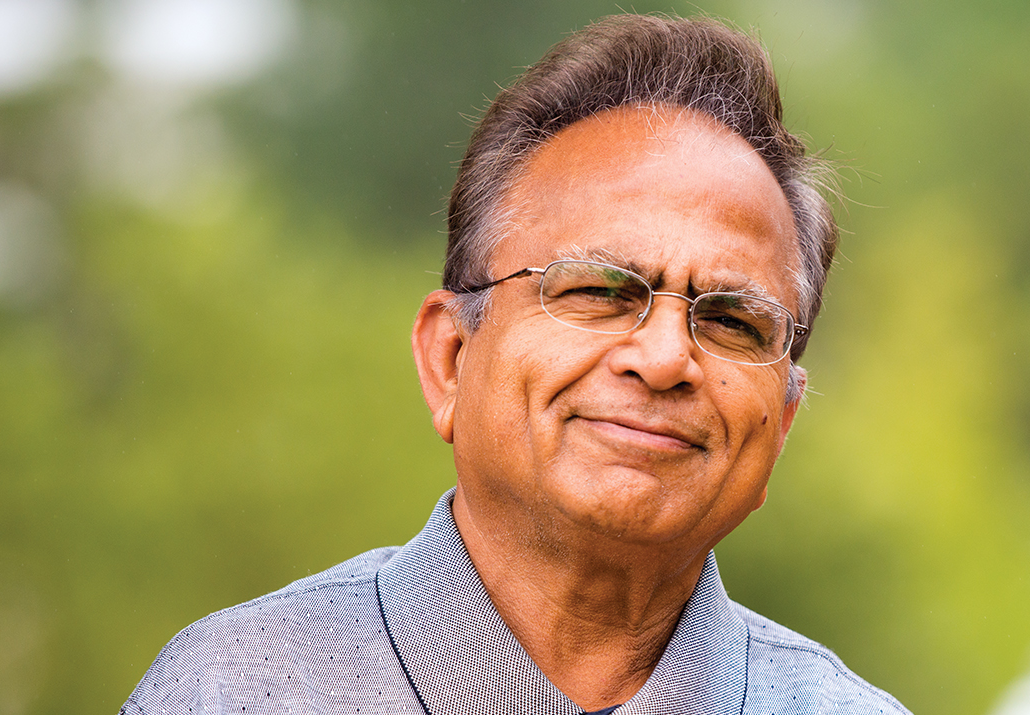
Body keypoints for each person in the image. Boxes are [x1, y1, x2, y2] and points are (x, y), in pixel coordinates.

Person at [121, 13, 908, 715]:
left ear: (784, 421)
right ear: (450, 358)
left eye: (733, 320)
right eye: (600, 290)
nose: (665, 357)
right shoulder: (236, 691)